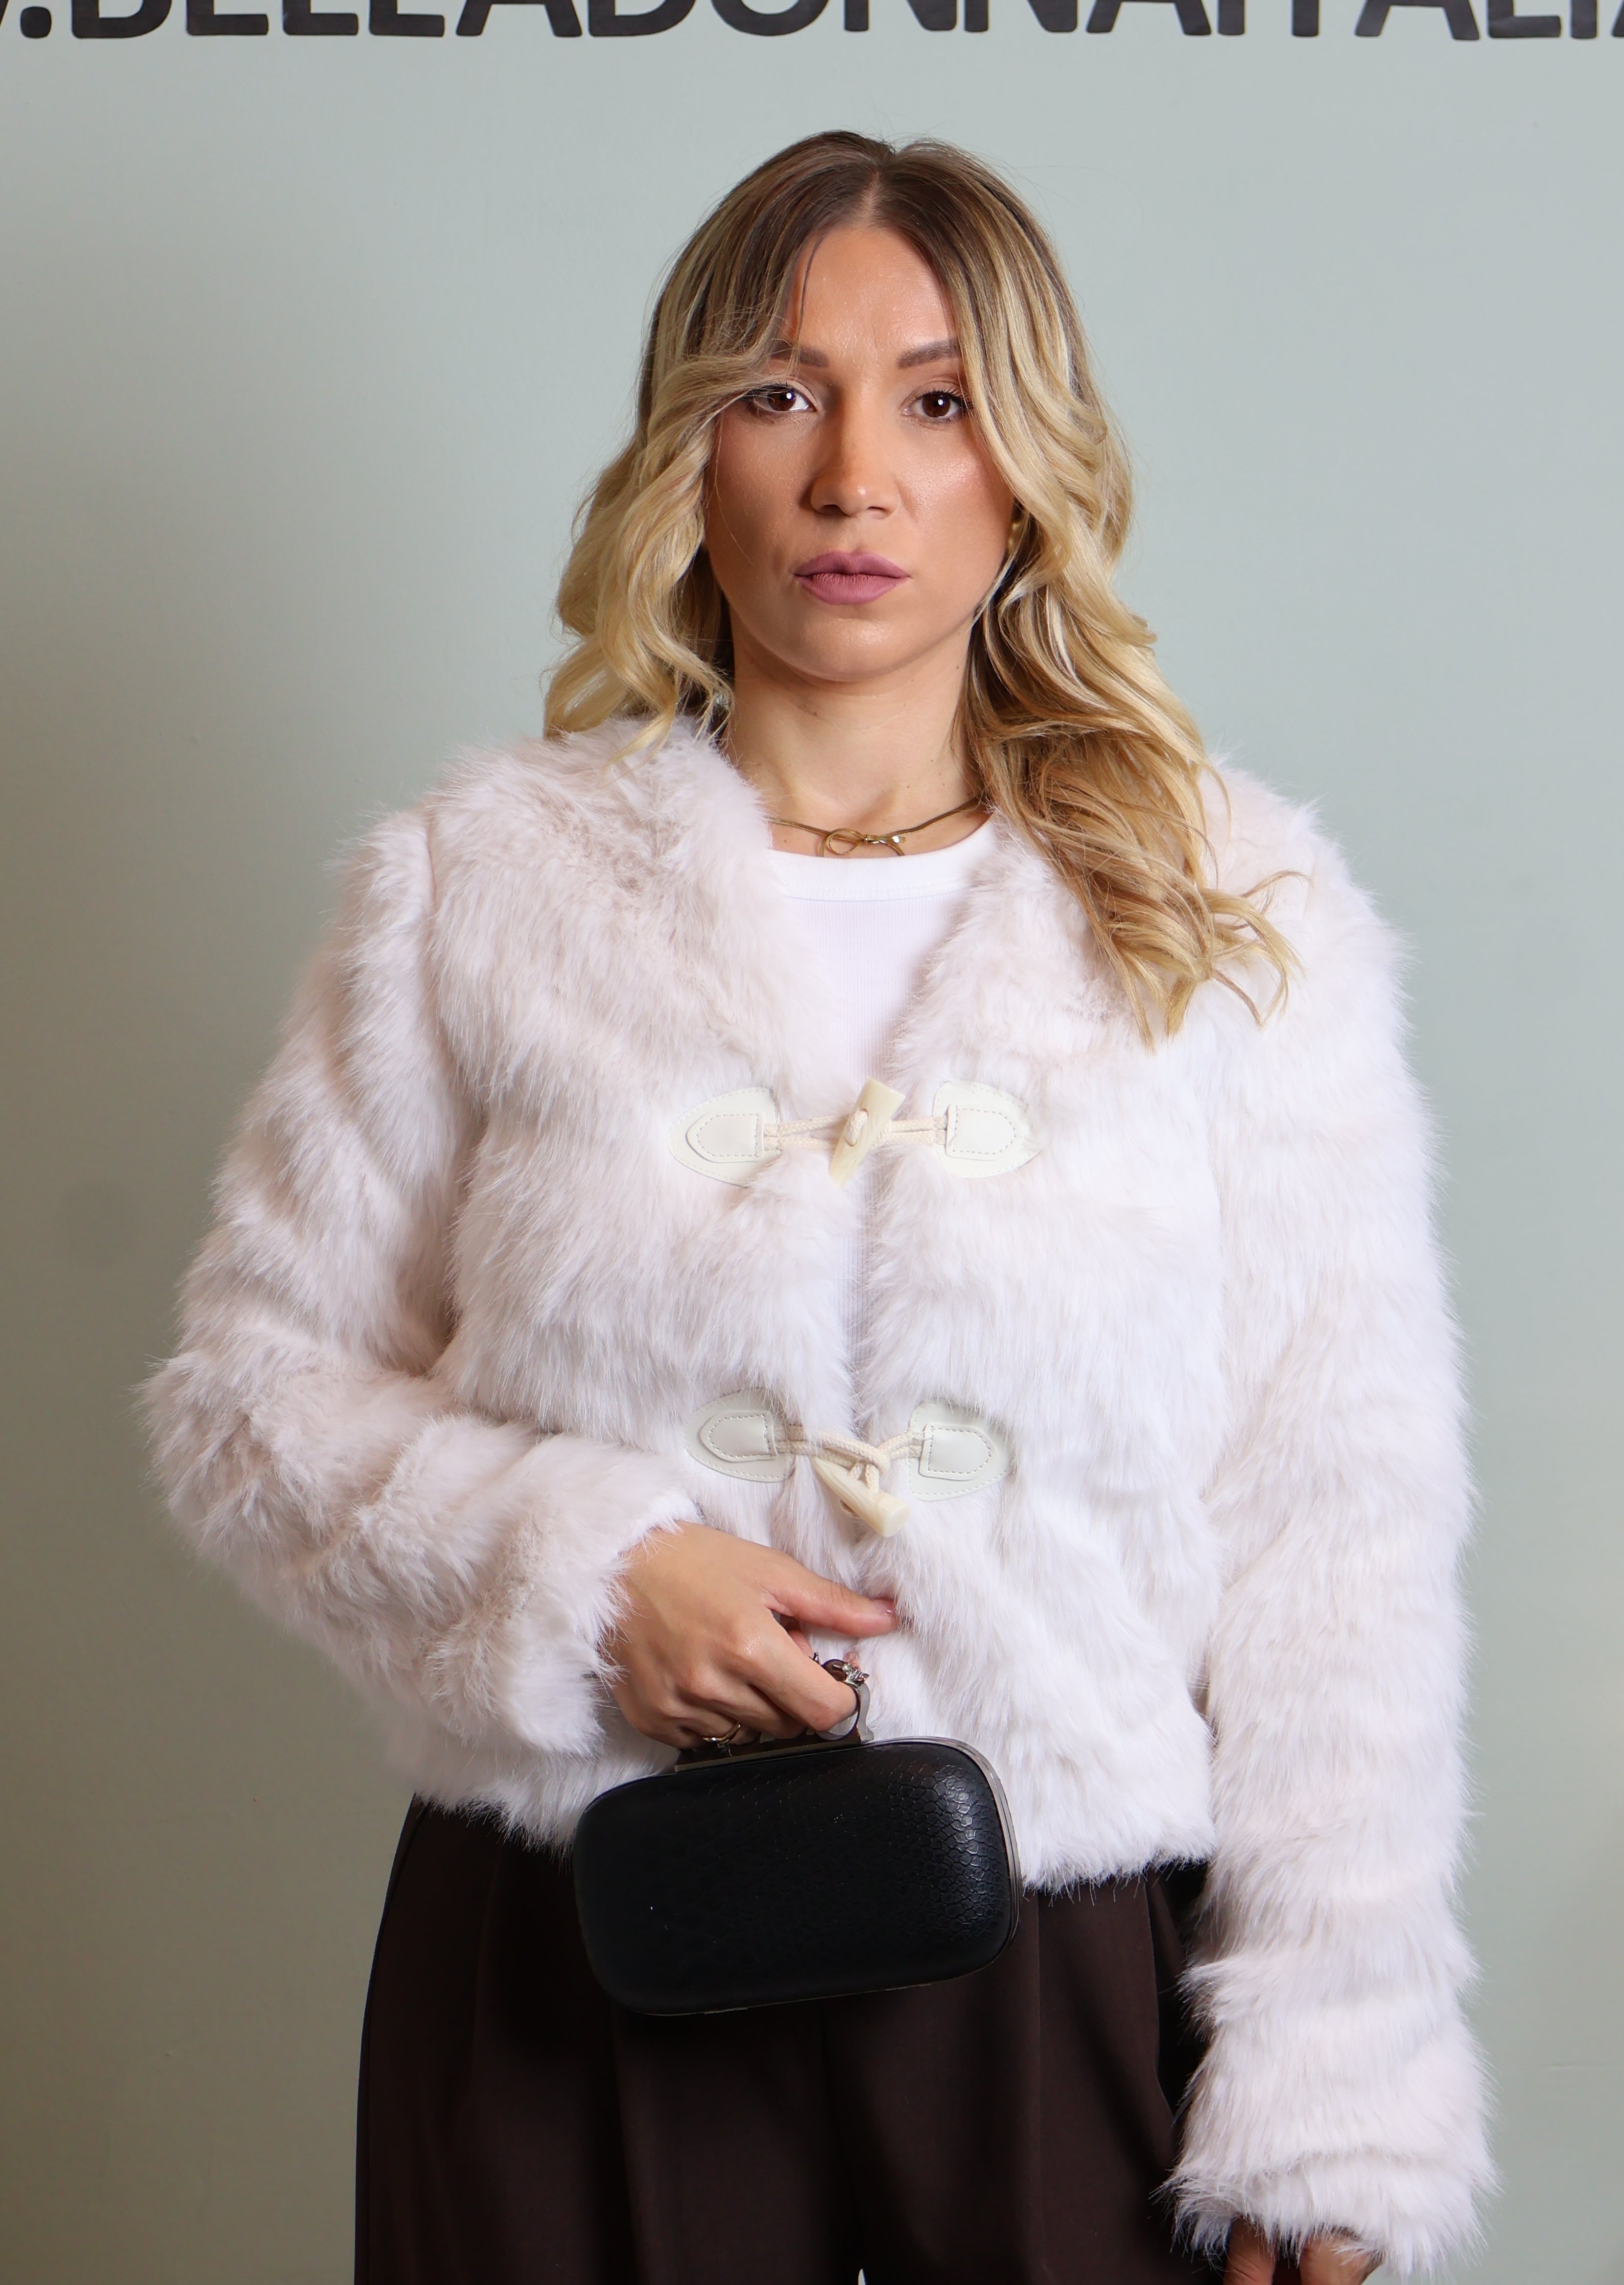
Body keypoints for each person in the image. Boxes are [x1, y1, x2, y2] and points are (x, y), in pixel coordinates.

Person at [144, 131, 1490, 2285]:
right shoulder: (476, 887)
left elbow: (1339, 1529)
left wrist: (1341, 2074)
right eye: (782, 392)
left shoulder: (1231, 912)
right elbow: (249, 1398)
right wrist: (589, 1569)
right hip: (583, 1933)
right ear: (691, 450)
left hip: (1057, 1951)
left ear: (1026, 467)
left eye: (937, 401)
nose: (857, 476)